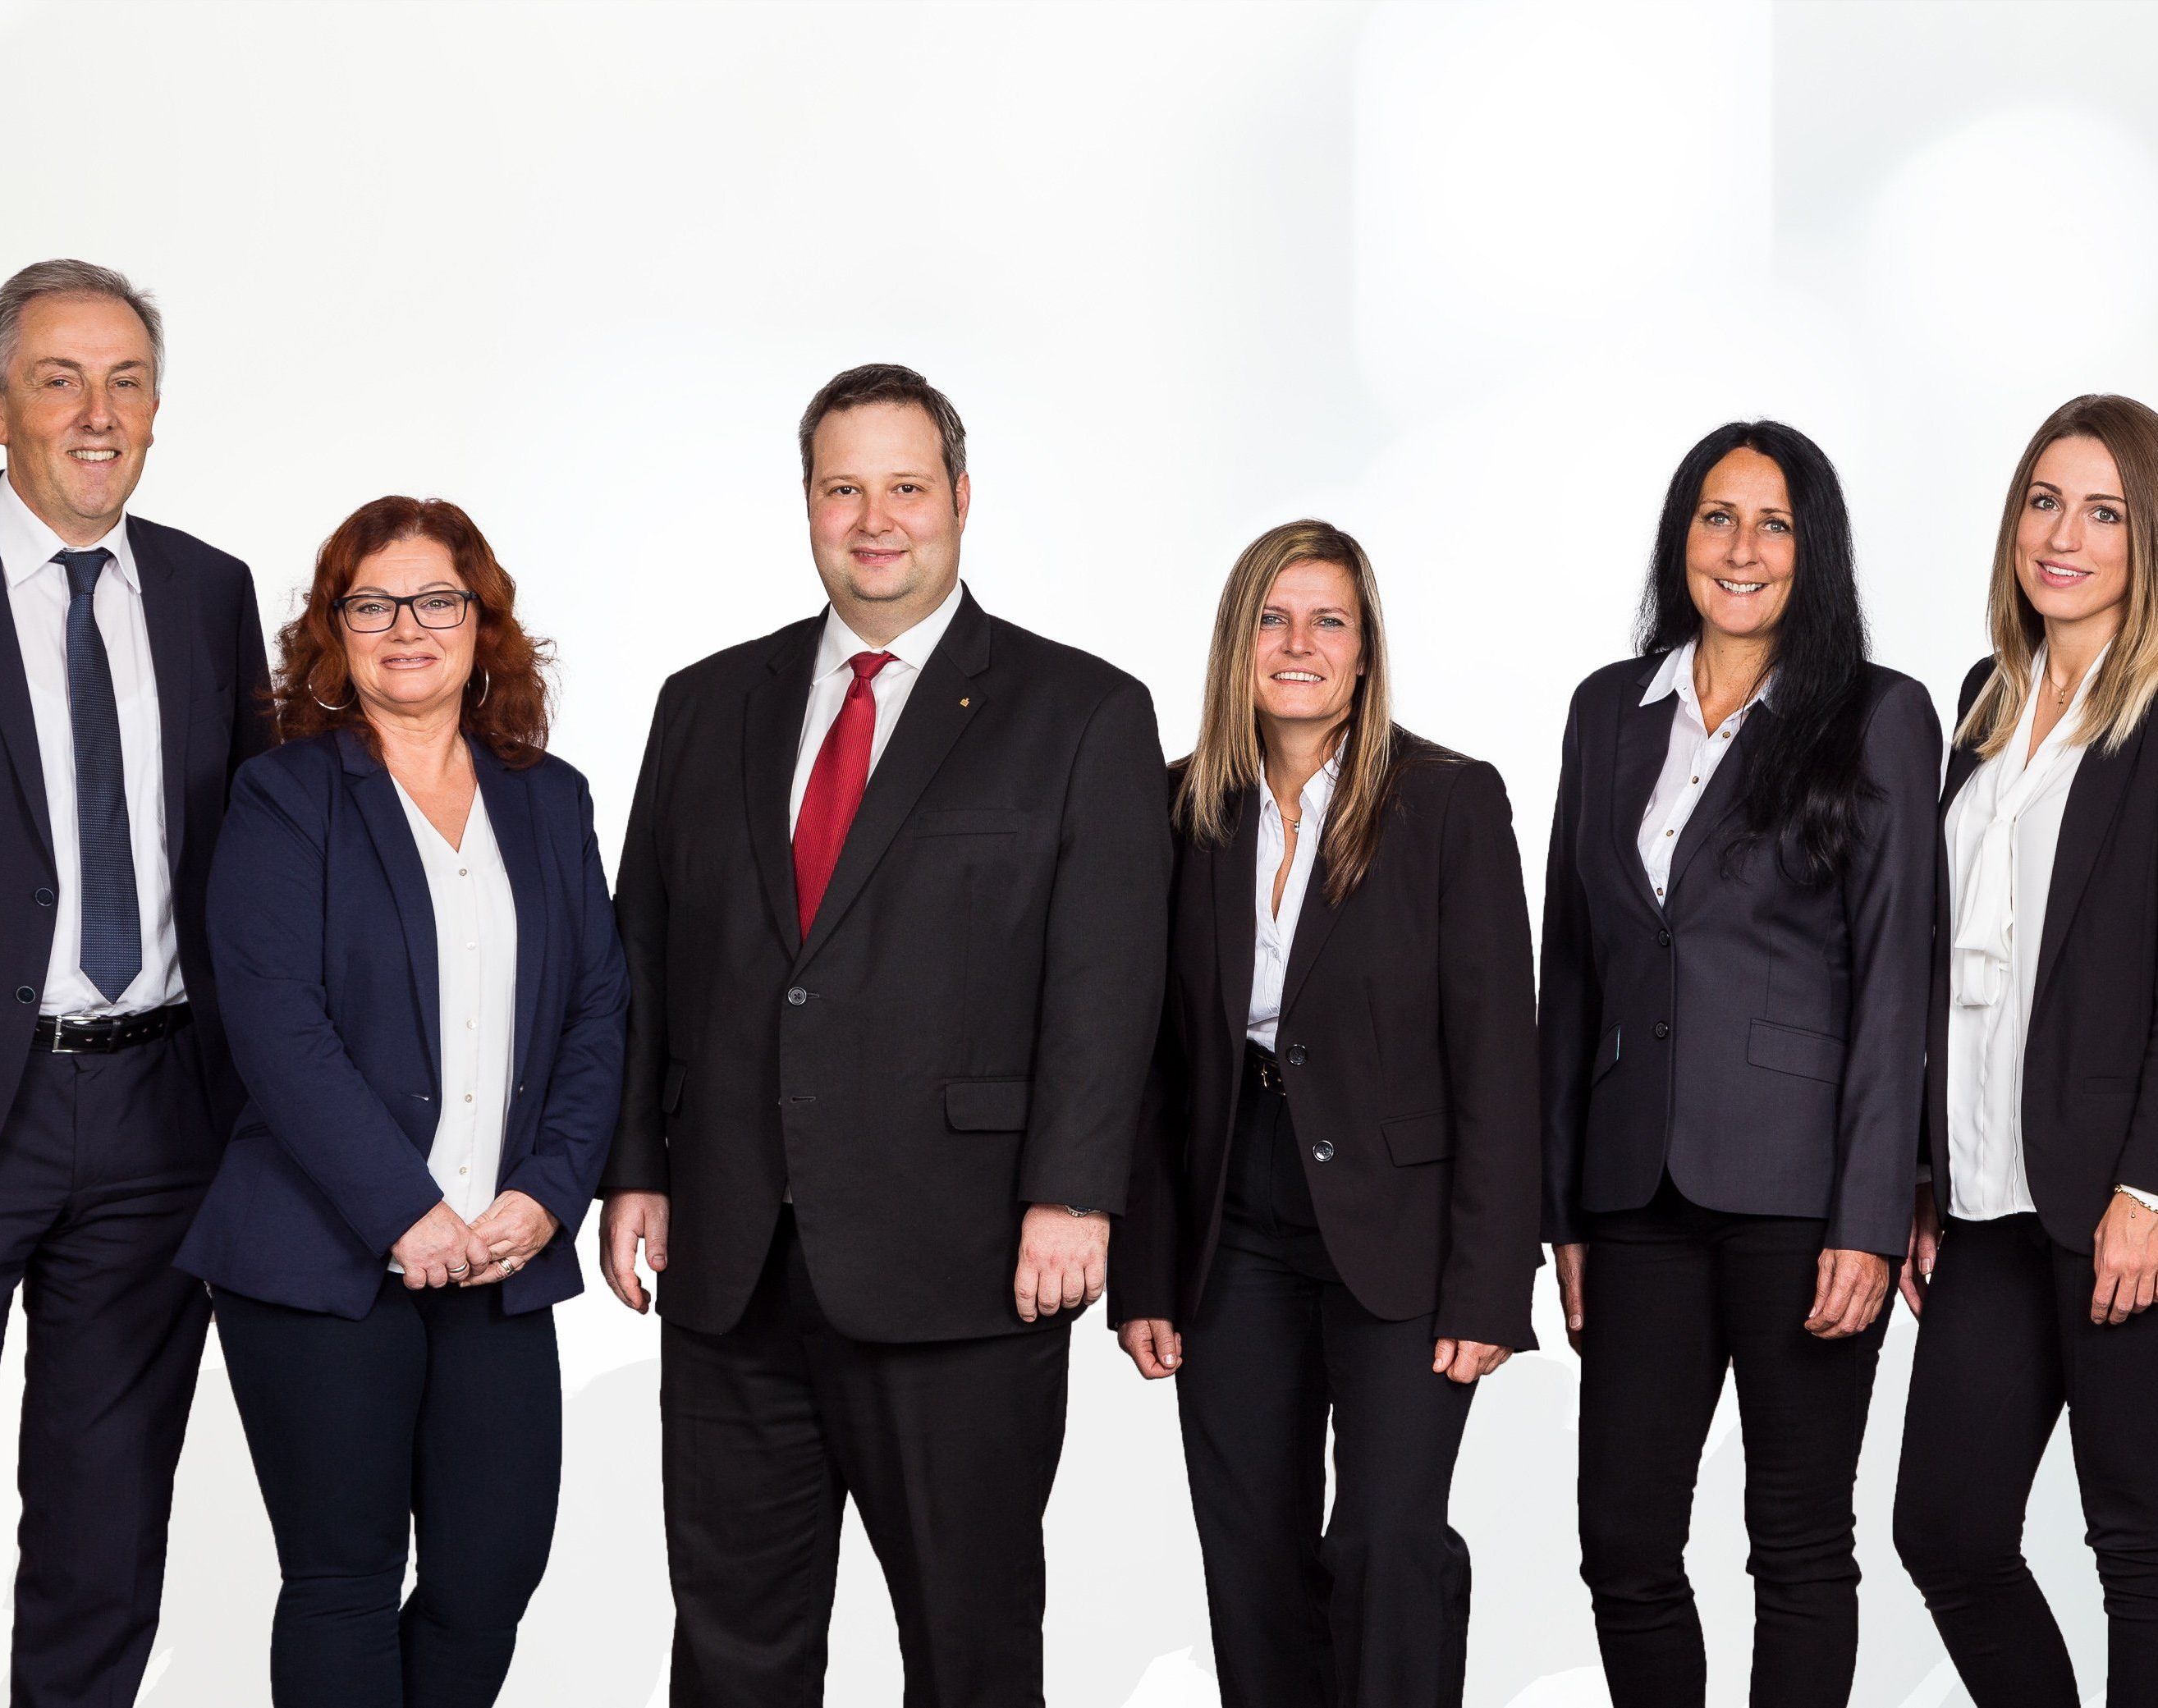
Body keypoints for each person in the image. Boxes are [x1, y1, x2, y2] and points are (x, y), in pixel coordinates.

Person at [597, 363, 1171, 1706]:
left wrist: (1075, 1192)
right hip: (734, 1259)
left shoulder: (1078, 711)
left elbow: (1108, 979)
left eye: (904, 486)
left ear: (960, 500)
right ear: (805, 503)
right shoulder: (706, 703)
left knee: (967, 1648)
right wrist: (637, 1163)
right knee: (734, 1646)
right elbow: (644, 955)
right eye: (842, 487)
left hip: (963, 1258)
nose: (874, 518)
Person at [0, 260, 268, 1708]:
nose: (96, 414)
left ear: (155, 411)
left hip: (161, 1116)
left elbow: (241, 857)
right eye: (59, 379)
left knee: (107, 1515)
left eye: (125, 382)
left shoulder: (207, 592)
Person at [175, 497, 627, 1706]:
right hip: (321, 1257)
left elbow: (598, 1010)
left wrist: (545, 1193)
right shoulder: (284, 797)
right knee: (344, 1578)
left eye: (437, 599)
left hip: (501, 1251)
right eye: (371, 605)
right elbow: (277, 1026)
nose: (406, 627)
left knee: (490, 1573)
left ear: (484, 623)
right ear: (335, 633)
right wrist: (404, 1210)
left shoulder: (550, 797)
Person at [1539, 421, 1940, 1706]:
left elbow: (1895, 984)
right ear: (1680, 535)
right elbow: (1575, 968)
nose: (1741, 548)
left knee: (1800, 1546)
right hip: (1633, 1193)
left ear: (1810, 551)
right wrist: (1563, 1208)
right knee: (1623, 1544)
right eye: (1717, 517)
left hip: (1800, 1196)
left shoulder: (1876, 715)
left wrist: (1870, 1217)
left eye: (1773, 524)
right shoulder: (1609, 709)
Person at [1108, 520, 1539, 1708]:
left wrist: (1492, 1281)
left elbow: (1500, 1054)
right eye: (1272, 618)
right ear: (1236, 642)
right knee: (1251, 1553)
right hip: (1228, 1218)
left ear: (1363, 649)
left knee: (1388, 1540)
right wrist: (1143, 1271)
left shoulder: (1448, 801)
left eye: (1327, 620)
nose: (1298, 644)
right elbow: (1147, 1062)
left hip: (1400, 1225)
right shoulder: (1175, 808)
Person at [1892, 393, 2158, 1707]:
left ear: (2145, 537)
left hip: (2117, 1198)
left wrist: (2151, 1185)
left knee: (2140, 1547)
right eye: (2044, 501)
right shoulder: (1985, 698)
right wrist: (1928, 1178)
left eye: (2102, 511)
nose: (2063, 534)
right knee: (1942, 1529)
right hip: (1987, 1200)